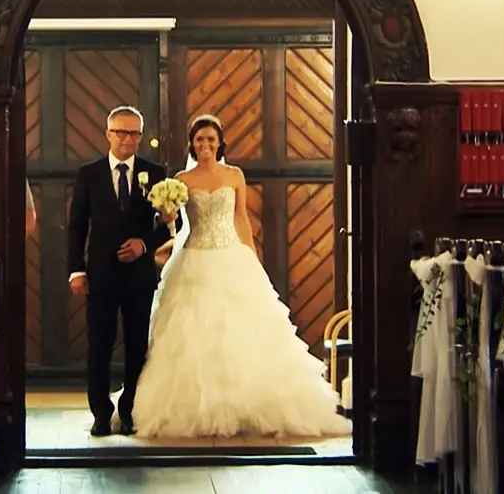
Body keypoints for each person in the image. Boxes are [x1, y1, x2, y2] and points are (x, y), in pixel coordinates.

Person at [130, 114, 350, 438]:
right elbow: (171, 221)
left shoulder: (235, 175)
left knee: (244, 333)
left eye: (211, 140)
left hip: (231, 256)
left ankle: (249, 405)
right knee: (191, 335)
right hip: (194, 259)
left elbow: (241, 218)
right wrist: (166, 212)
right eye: (200, 140)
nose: (205, 145)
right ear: (192, 143)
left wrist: (251, 254)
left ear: (220, 144)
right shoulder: (182, 179)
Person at [66, 106, 173, 436]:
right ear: (108, 134)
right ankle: (101, 412)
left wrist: (144, 243)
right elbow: (77, 225)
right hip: (100, 272)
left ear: (141, 136)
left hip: (139, 273)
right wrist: (76, 271)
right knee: (100, 342)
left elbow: (168, 224)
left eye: (134, 133)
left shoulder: (155, 172)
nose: (127, 139)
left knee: (137, 343)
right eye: (121, 132)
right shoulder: (90, 174)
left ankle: (129, 410)